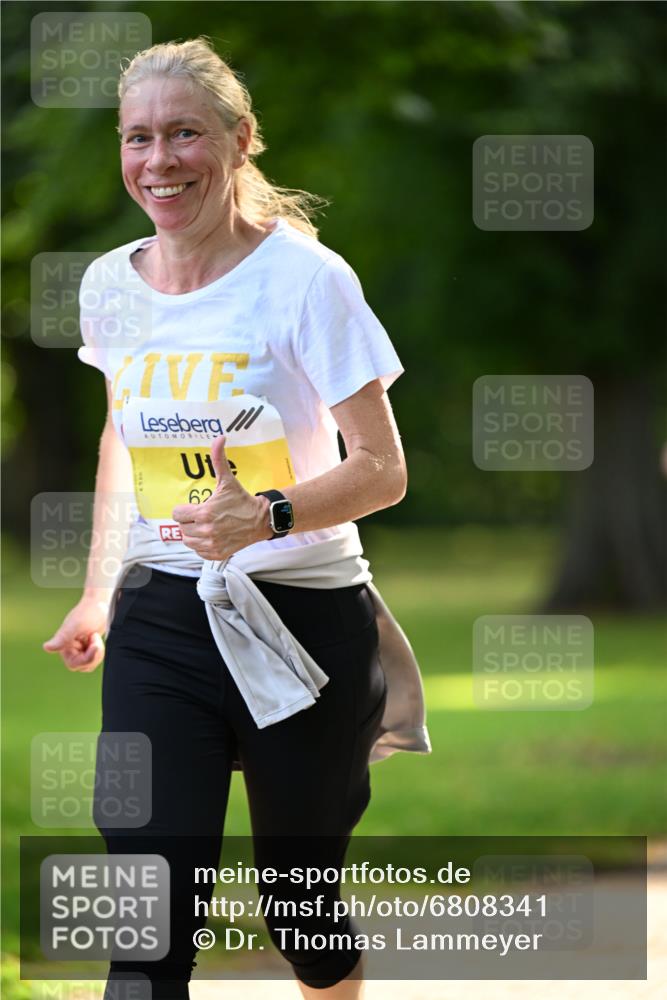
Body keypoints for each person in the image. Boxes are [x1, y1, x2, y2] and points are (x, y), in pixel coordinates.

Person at [43, 37, 429, 1000]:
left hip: (302, 621)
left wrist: (268, 515)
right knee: (147, 919)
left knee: (302, 915)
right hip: (161, 618)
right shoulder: (108, 284)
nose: (158, 160)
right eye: (137, 138)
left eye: (184, 133)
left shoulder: (306, 280)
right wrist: (97, 593)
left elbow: (382, 470)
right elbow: (120, 436)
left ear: (239, 138)